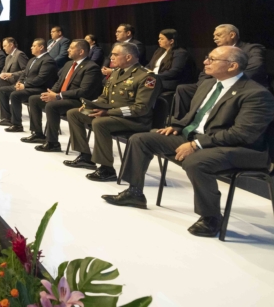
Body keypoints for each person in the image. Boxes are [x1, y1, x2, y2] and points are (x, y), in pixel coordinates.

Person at [103, 46, 274, 237]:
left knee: (196, 161)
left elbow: (243, 134)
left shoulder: (256, 94)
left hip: (239, 148)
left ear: (232, 66)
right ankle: (134, 192)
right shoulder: (209, 84)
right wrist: (177, 126)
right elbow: (195, 116)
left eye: (212, 59)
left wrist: (196, 145)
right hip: (197, 137)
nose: (205, 62)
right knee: (141, 139)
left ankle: (211, 217)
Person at [65, 42, 161, 182]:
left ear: (128, 57)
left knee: (100, 123)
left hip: (135, 120)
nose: (111, 57)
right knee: (74, 114)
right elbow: (104, 97)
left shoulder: (147, 77)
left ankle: (106, 168)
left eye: (115, 54)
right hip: (110, 115)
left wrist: (109, 113)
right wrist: (91, 106)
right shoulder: (116, 73)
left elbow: (141, 108)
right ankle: (85, 156)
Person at [171, 24, 267, 122]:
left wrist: (227, 81)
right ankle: (181, 122)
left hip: (240, 86)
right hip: (214, 84)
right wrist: (207, 86)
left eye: (218, 35)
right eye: (214, 36)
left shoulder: (252, 49)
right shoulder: (216, 52)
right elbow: (205, 74)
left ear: (232, 35)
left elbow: (254, 69)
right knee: (183, 89)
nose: (214, 38)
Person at [25, 40, 103, 151]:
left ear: (81, 51)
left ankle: (53, 143)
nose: (68, 50)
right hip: (63, 97)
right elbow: (59, 82)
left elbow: (84, 91)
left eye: (71, 48)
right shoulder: (68, 64)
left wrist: (58, 96)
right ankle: (38, 133)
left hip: (79, 101)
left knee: (52, 106)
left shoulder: (91, 67)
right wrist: (51, 93)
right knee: (34, 99)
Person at [0, 39, 58, 133]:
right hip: (28, 86)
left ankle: (17, 124)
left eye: (34, 46)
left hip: (40, 88)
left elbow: (41, 79)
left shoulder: (48, 60)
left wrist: (24, 85)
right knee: (3, 90)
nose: (31, 47)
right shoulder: (32, 59)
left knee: (15, 95)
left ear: (41, 47)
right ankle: (6, 118)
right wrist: (19, 82)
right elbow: (24, 74)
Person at [146, 28, 193, 101]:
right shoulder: (159, 51)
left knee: (145, 88)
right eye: (159, 38)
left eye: (162, 39)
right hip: (154, 79)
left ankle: (144, 109)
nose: (159, 41)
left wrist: (154, 76)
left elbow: (174, 72)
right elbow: (149, 65)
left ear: (171, 41)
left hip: (168, 81)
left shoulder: (180, 53)